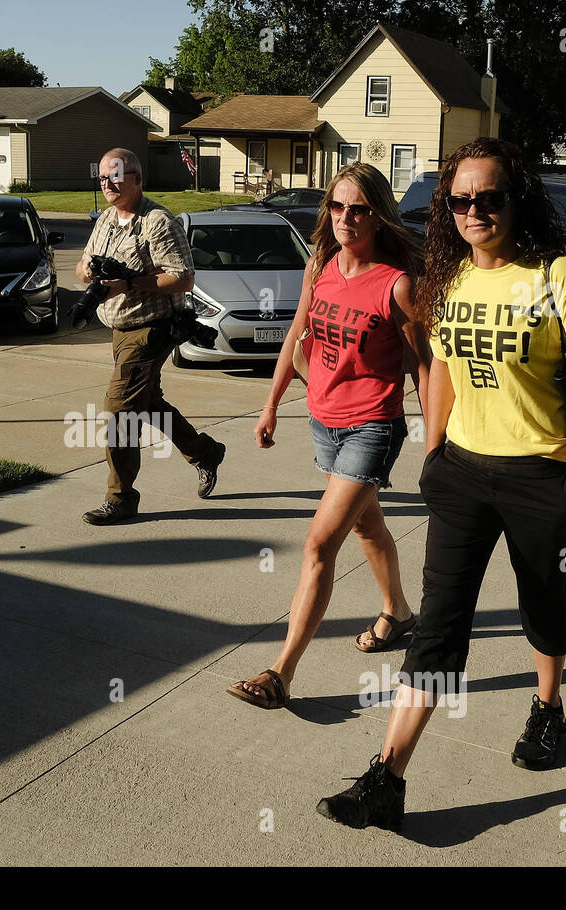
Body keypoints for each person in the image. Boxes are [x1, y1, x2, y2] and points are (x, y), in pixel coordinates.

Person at [317, 138, 566, 831]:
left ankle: (548, 708)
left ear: (517, 199)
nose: (474, 210)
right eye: (460, 199)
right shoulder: (448, 278)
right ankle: (387, 777)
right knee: (438, 628)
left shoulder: (558, 275)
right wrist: (434, 453)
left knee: (541, 602)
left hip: (539, 475)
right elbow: (443, 369)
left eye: (489, 197)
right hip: (460, 472)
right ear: (445, 207)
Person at [228, 162, 431, 709]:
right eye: (337, 206)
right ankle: (399, 614)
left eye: (358, 208)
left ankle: (280, 672)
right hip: (323, 420)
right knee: (368, 527)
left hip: (372, 425)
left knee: (320, 544)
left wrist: (436, 443)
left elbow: (425, 366)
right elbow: (298, 332)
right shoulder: (319, 265)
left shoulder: (397, 285)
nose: (345, 217)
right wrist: (271, 405)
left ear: (379, 215)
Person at [77, 148, 226, 525]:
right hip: (119, 330)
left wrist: (129, 282)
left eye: (116, 176)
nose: (107, 183)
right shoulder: (107, 219)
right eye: (103, 177)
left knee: (118, 414)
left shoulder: (158, 222)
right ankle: (204, 452)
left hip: (152, 329)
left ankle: (121, 497)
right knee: (146, 404)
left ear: (137, 179)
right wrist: (87, 273)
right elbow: (83, 262)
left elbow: (183, 276)